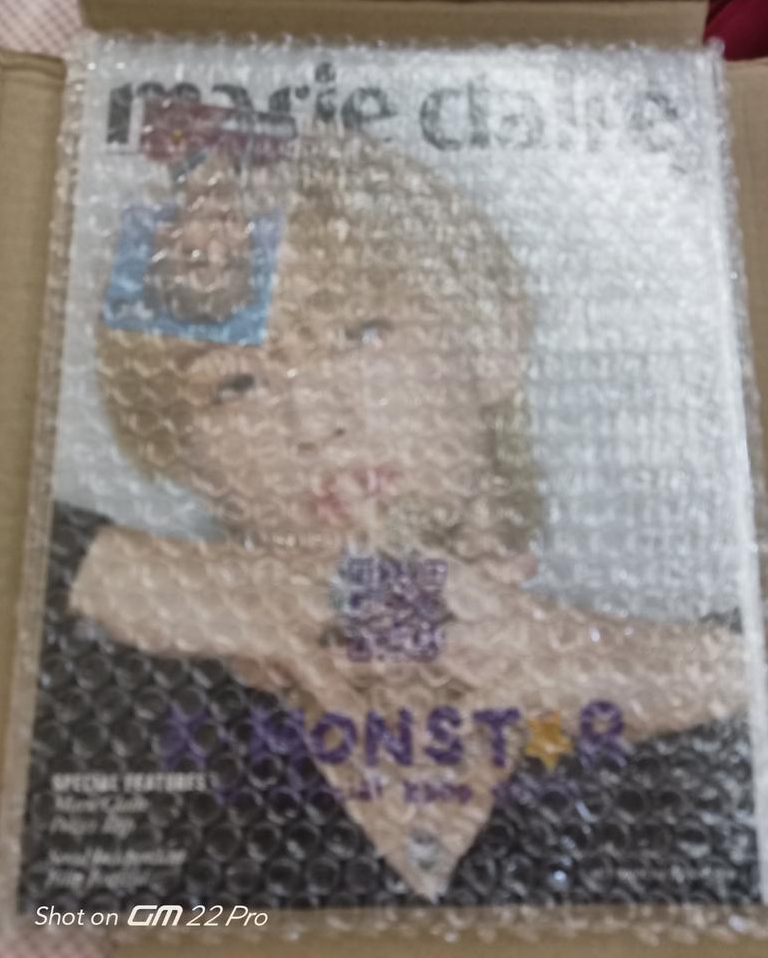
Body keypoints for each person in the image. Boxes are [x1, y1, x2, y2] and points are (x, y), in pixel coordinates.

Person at [63, 129, 751, 902]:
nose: (313, 421)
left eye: (357, 332)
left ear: (489, 337)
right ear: (187, 459)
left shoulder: (699, 683)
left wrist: (696, 669)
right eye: (235, 384)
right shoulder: (112, 705)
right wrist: (112, 568)